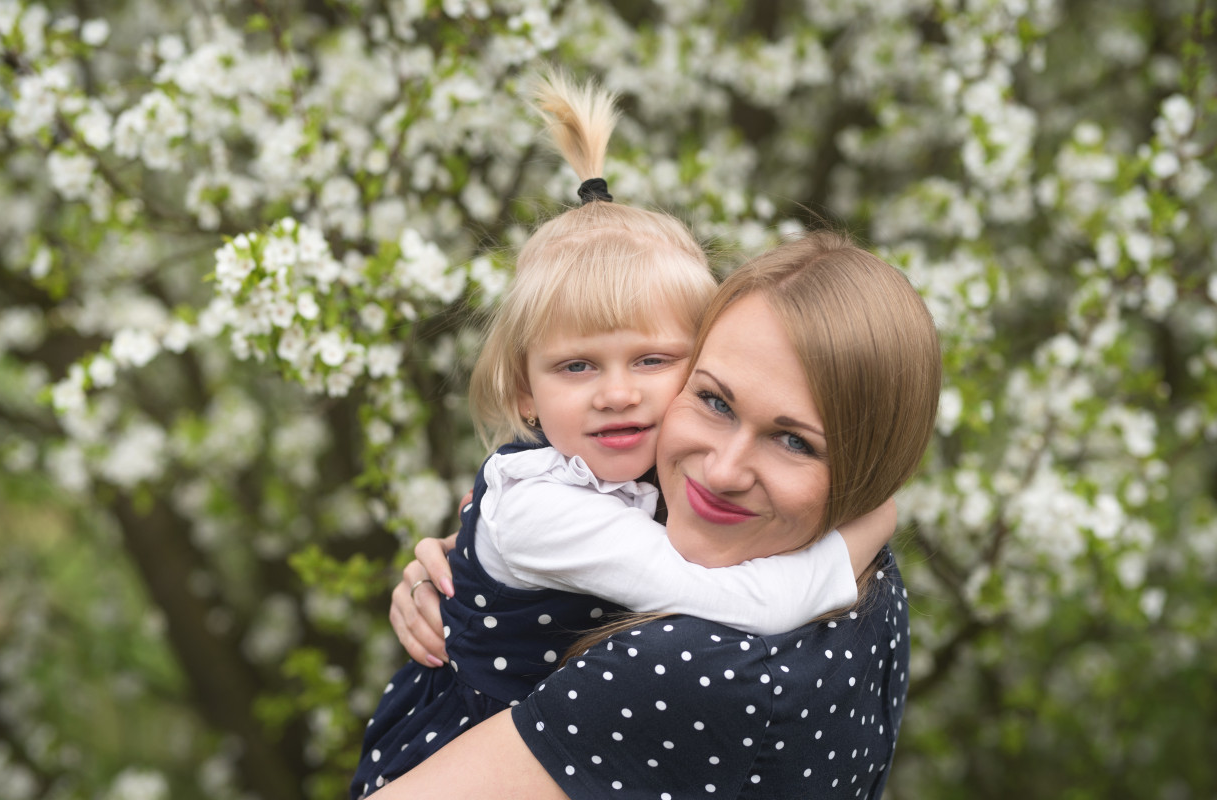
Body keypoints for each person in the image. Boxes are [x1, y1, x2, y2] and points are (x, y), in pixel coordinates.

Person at [348, 74, 894, 799]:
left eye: (653, 360)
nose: (616, 393)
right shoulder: (544, 511)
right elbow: (738, 600)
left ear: (704, 370)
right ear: (524, 393)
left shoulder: (658, 481)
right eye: (576, 366)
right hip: (467, 754)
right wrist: (865, 530)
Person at [375, 230, 942, 799]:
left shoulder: (680, 671)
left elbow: (750, 601)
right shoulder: (876, 587)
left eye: (794, 442)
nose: (722, 473)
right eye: (715, 401)